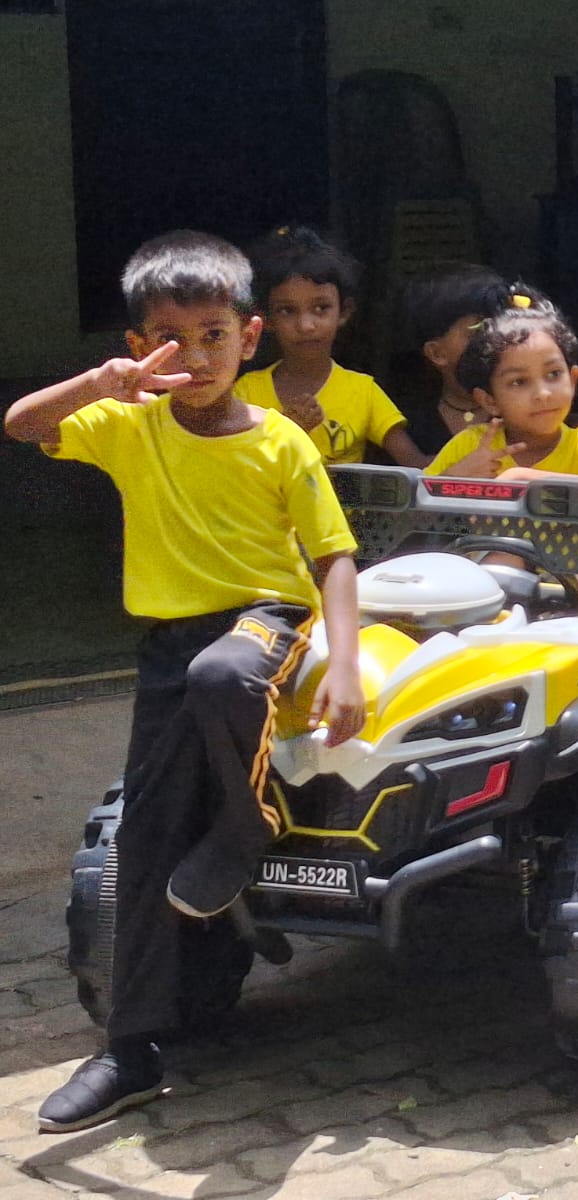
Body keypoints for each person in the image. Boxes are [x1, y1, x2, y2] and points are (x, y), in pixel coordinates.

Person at [5, 231, 364, 1133]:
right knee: (144, 841)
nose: (196, 358)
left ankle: (246, 829)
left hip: (265, 622)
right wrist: (100, 385)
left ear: (250, 337)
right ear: (140, 348)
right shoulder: (128, 424)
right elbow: (21, 425)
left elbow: (333, 557)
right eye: (172, 339)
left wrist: (346, 663)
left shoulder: (281, 442)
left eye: (214, 336)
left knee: (223, 671)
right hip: (167, 645)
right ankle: (129, 1050)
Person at [236, 225, 427, 467]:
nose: (306, 325)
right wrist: (287, 431)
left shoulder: (362, 392)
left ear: (344, 312)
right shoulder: (247, 392)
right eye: (287, 310)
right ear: (267, 320)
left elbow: (415, 465)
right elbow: (233, 469)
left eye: (321, 308)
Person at [424, 298, 578, 482]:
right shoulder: (471, 445)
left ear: (573, 380)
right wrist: (454, 477)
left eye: (554, 374)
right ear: (489, 400)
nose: (543, 394)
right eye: (519, 382)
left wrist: (523, 478)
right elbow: (416, 500)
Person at [400, 263, 518, 453]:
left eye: (505, 327)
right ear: (436, 353)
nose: (499, 339)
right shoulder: (407, 426)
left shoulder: (530, 411)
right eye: (480, 330)